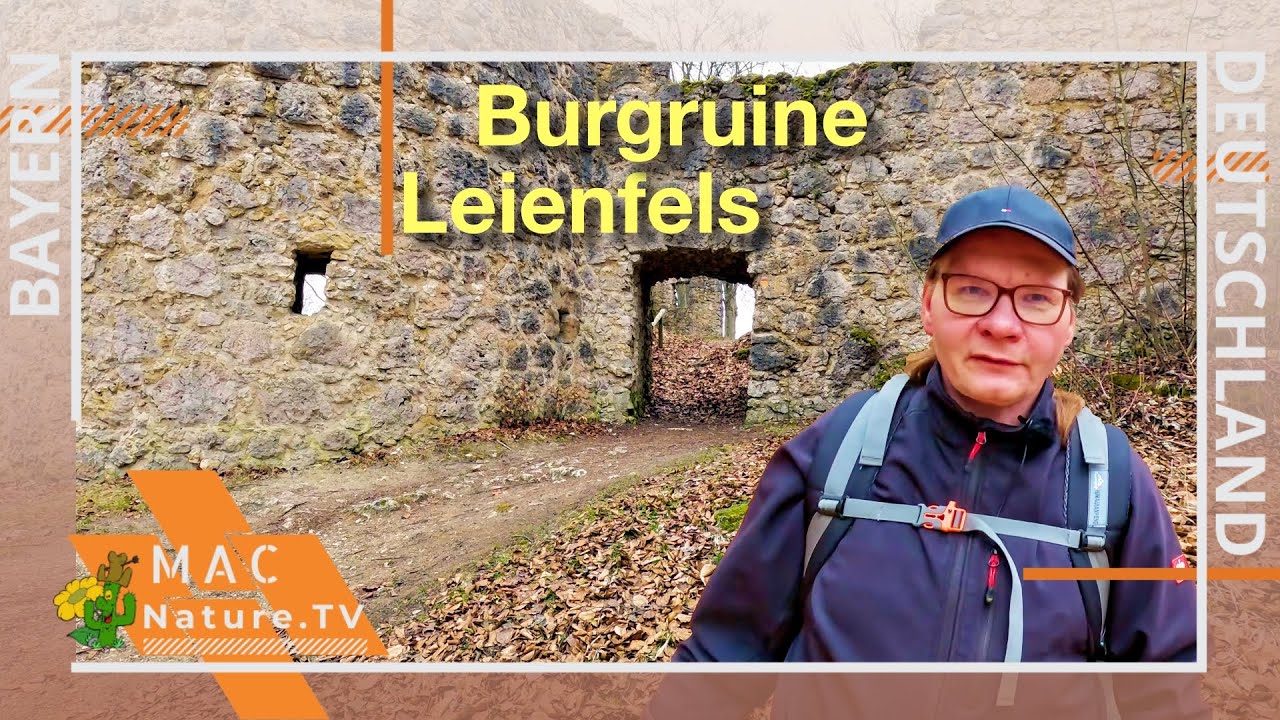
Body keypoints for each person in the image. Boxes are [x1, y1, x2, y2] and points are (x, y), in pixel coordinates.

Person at [670, 186, 1198, 668]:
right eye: (971, 290)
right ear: (929, 305)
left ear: (1068, 323)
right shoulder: (839, 452)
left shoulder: (1108, 482)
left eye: (1037, 297)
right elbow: (720, 660)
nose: (1001, 324)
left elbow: (1169, 686)